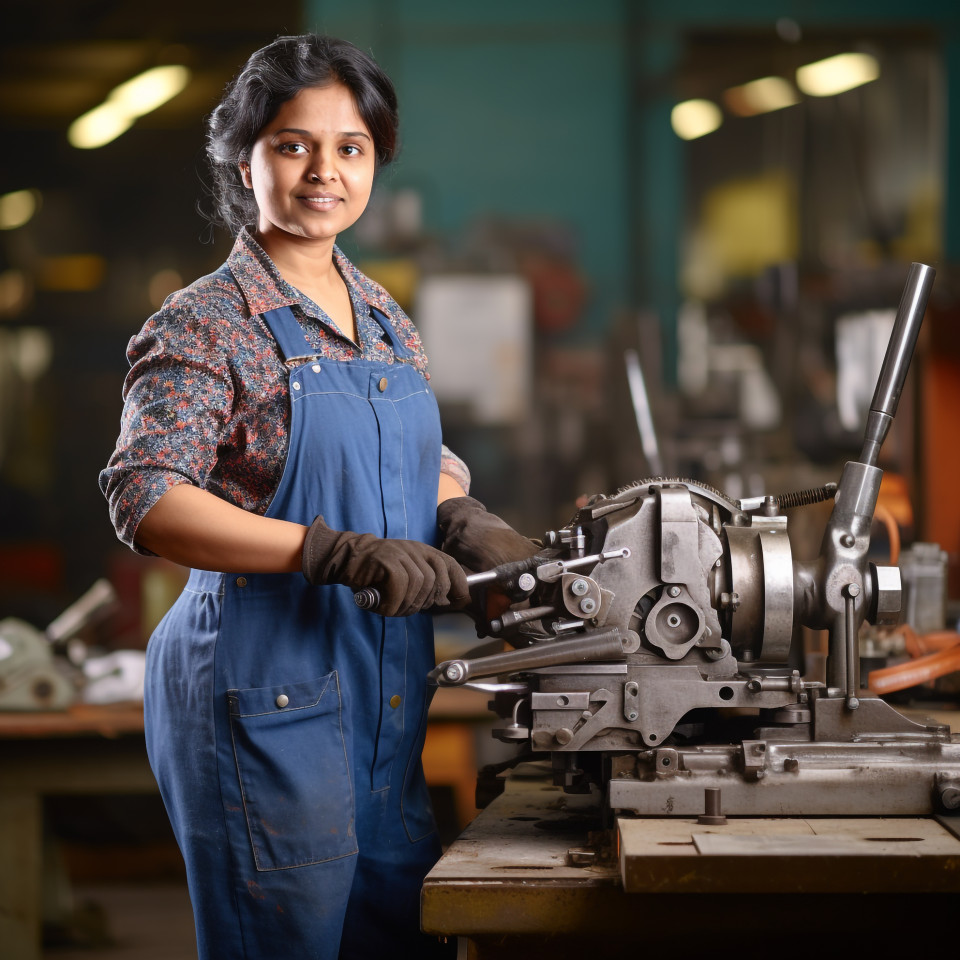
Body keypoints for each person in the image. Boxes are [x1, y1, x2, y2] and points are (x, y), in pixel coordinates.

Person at [100, 34, 536, 960]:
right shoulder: (205, 322)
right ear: (243, 157)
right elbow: (145, 493)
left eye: (351, 149)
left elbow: (412, 452)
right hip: (262, 700)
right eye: (294, 145)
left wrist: (457, 508)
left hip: (382, 702)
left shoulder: (382, 315)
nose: (323, 173)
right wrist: (326, 551)